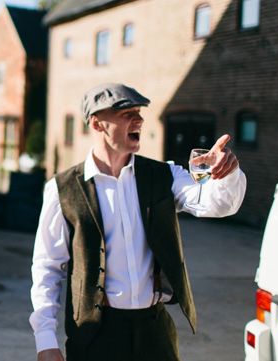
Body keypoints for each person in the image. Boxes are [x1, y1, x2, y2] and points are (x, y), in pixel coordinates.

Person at [30, 83, 245, 361]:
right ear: (97, 123)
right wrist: (45, 339)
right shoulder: (63, 188)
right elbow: (47, 267)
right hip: (95, 334)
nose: (139, 119)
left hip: (154, 330)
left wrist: (227, 174)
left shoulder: (163, 175)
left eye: (139, 112)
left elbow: (219, 204)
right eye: (126, 112)